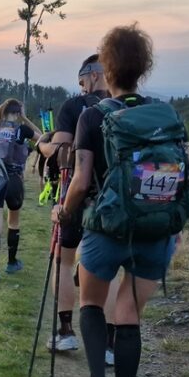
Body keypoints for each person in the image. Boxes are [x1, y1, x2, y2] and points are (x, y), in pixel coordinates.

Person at [52, 23, 189, 377]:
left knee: (92, 303)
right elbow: (184, 172)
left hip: (107, 229)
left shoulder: (93, 115)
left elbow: (80, 179)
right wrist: (176, 224)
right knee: (129, 315)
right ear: (144, 68)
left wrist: (63, 211)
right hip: (156, 229)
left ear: (105, 69)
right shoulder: (165, 114)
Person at [38, 55, 117, 360]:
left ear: (93, 76)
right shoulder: (126, 106)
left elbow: (60, 154)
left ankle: (65, 332)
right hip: (113, 200)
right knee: (108, 271)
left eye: (82, 79)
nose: (81, 85)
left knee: (64, 261)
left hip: (75, 192)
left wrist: (41, 145)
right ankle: (109, 345)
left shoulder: (75, 106)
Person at [0, 99, 41, 282]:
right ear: (18, 113)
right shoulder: (21, 130)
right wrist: (25, 120)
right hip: (14, 180)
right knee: (13, 222)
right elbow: (43, 137)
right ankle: (11, 262)